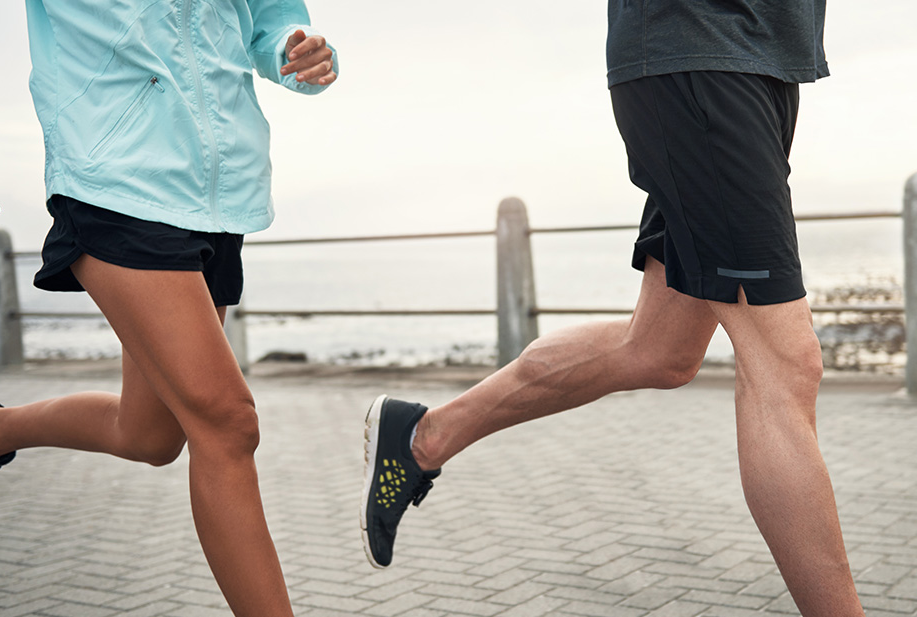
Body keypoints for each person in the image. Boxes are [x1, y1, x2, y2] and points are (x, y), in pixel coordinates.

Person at [360, 2, 866, 615]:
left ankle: (422, 435)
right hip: (701, 54)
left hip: (758, 60)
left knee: (659, 351)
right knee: (784, 365)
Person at [0, 0, 337, 614]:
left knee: (151, 435)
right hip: (113, 180)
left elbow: (268, 20)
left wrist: (295, 48)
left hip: (220, 192)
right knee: (228, 423)